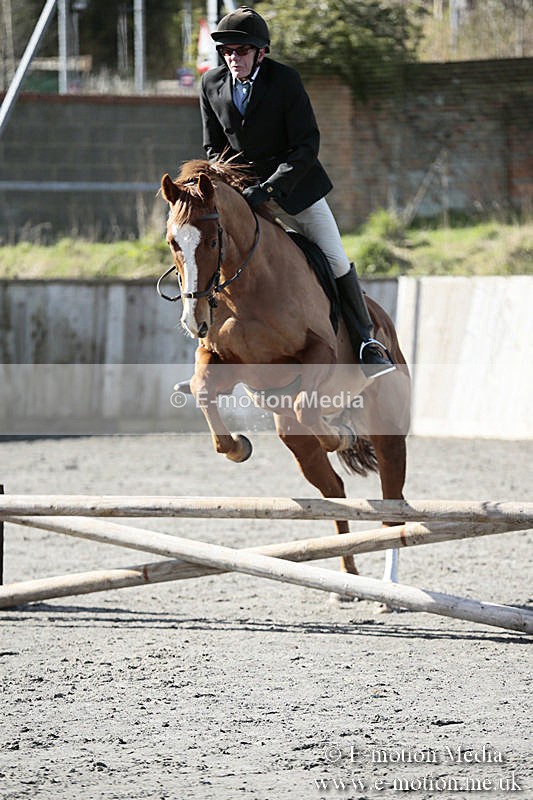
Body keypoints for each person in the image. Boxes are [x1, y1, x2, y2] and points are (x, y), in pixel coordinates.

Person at [200, 6, 395, 379]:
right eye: (227, 52)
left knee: (335, 258)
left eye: (241, 51)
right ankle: (211, 346)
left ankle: (366, 344)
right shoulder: (211, 85)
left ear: (261, 52)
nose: (233, 58)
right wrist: (237, 191)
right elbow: (214, 150)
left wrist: (269, 188)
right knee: (211, 251)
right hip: (244, 196)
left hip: (295, 191)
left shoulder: (285, 81)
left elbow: (306, 146)